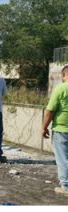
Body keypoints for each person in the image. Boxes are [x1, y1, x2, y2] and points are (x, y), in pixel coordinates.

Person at [41, 65, 68, 196]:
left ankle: (66, 187)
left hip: (62, 129)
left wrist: (44, 127)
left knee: (63, 159)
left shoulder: (61, 88)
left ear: (64, 76)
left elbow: (50, 111)